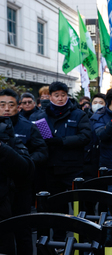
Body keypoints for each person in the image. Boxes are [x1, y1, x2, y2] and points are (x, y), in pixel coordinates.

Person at [30, 81, 91, 241]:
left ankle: (82, 240)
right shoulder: (41, 116)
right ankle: (58, 241)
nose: (60, 98)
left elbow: (85, 136)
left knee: (78, 205)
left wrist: (62, 141)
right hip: (50, 169)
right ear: (50, 96)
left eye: (63, 95)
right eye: (56, 95)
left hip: (72, 168)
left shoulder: (78, 114)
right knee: (56, 207)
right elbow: (36, 140)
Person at [0, 89, 47, 255]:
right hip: (4, 189)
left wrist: (25, 162)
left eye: (11, 104)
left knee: (23, 230)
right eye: (2, 104)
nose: (6, 108)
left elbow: (44, 149)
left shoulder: (36, 122)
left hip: (23, 184)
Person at [0, 116, 34, 255]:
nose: (6, 107)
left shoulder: (7, 133)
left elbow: (25, 167)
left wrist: (1, 148)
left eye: (10, 104)